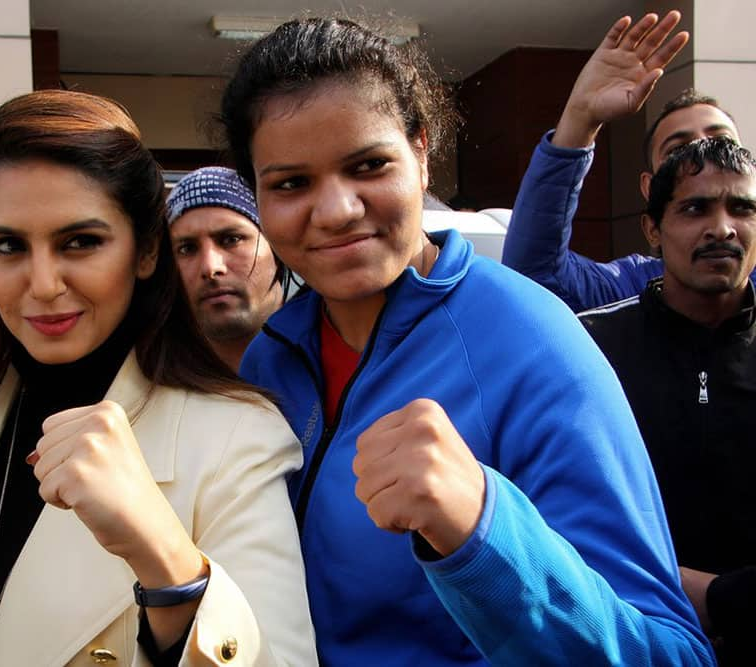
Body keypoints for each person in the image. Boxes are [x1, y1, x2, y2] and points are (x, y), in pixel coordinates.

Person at [220, 17, 713, 665]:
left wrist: (482, 531)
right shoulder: (270, 359)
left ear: (422, 153)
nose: (337, 209)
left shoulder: (533, 343)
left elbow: (672, 652)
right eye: (290, 183)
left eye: (368, 165)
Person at [0, 90, 316, 666]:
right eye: (7, 246)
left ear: (147, 249)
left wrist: (167, 561)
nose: (44, 283)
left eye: (80, 242)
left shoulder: (238, 437)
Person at [580, 136, 756, 665]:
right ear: (652, 229)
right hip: (627, 636)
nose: (722, 228)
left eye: (741, 208)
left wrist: (724, 600)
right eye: (695, 208)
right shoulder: (588, 350)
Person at [503, 12, 748, 312]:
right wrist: (580, 118)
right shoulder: (627, 292)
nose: (702, 160)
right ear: (650, 191)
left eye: (720, 144)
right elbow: (534, 274)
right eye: (677, 150)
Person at [167, 167, 284, 370]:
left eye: (231, 239)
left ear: (276, 248)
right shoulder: (143, 381)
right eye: (187, 249)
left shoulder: (342, 355)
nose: (211, 267)